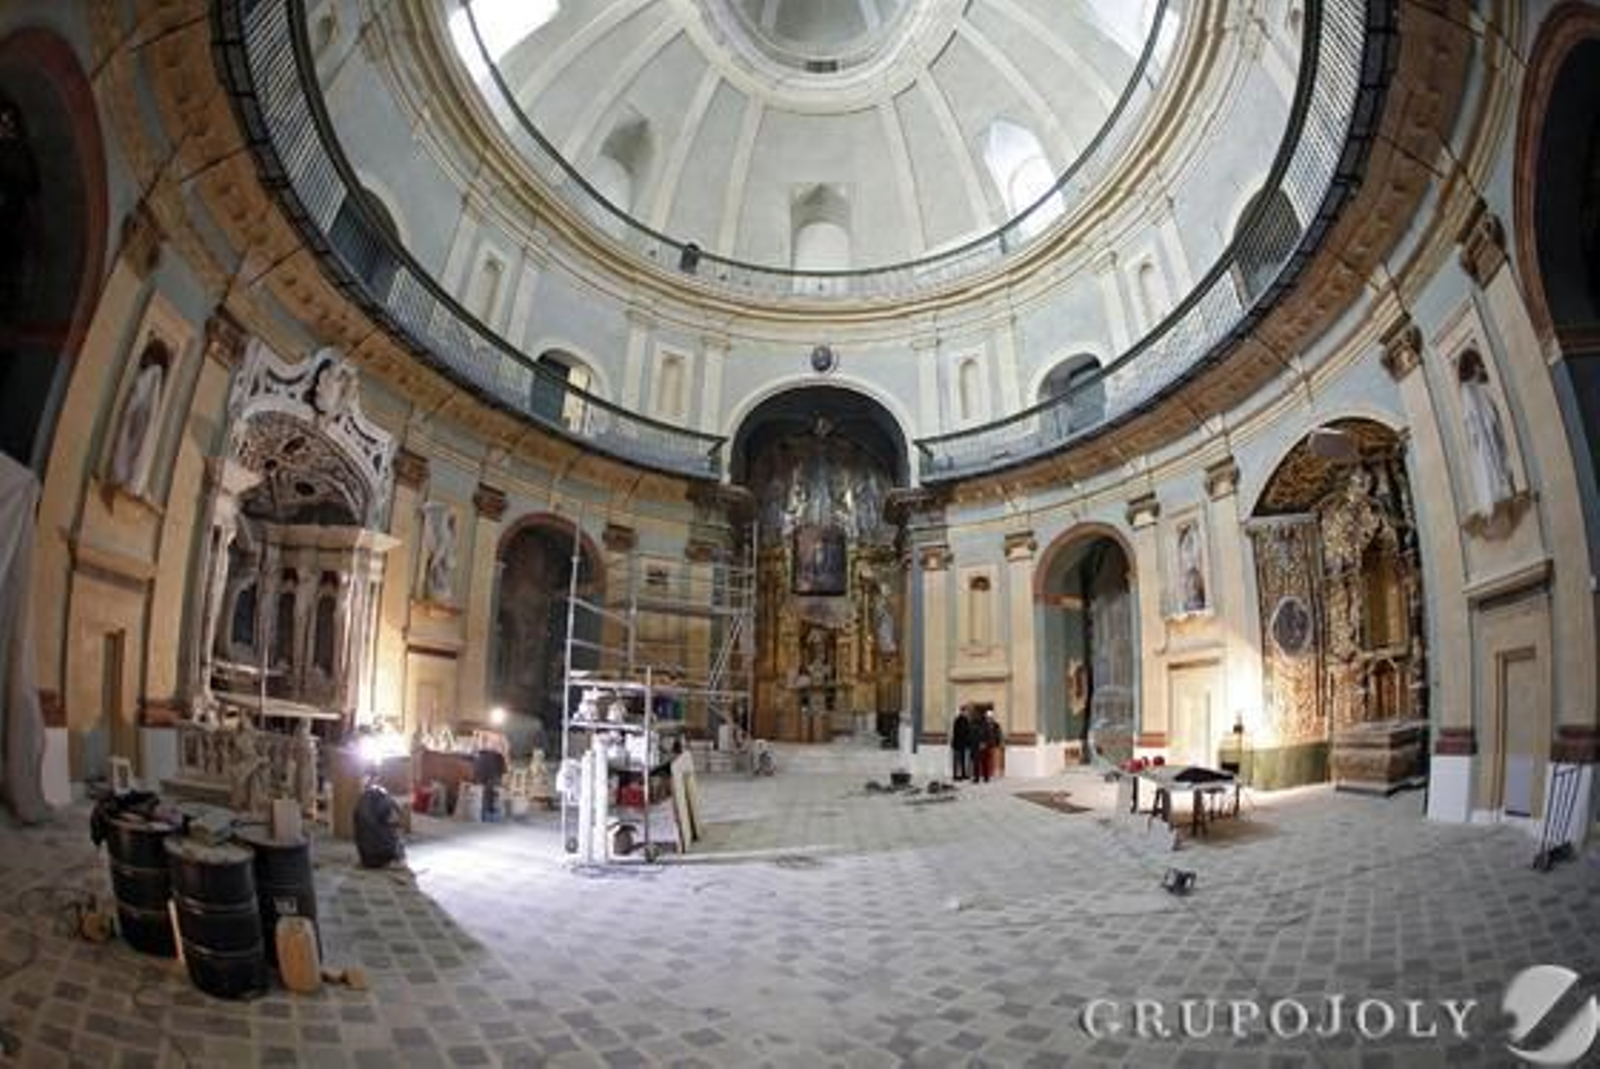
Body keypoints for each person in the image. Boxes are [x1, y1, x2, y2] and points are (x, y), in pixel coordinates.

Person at [951, 705, 972, 780]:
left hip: (963, 744)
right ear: (962, 711)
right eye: (965, 711)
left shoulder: (966, 720)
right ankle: (955, 775)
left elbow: (968, 732)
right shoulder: (958, 720)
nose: (966, 713)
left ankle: (963, 774)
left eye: (966, 711)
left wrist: (968, 742)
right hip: (957, 743)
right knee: (957, 760)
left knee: (963, 760)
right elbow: (957, 732)